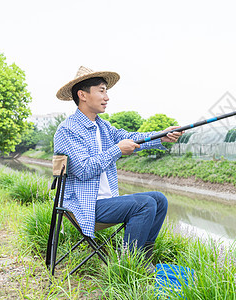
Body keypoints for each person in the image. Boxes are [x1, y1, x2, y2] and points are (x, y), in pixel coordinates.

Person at [54, 66, 183, 264]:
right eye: (102, 90)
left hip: (107, 202)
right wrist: (117, 150)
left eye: (106, 91)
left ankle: (142, 259)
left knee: (159, 199)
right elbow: (83, 169)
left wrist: (162, 136)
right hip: (84, 206)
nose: (107, 97)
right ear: (83, 95)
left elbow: (131, 138)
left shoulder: (103, 126)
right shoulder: (68, 130)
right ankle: (128, 264)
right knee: (145, 204)